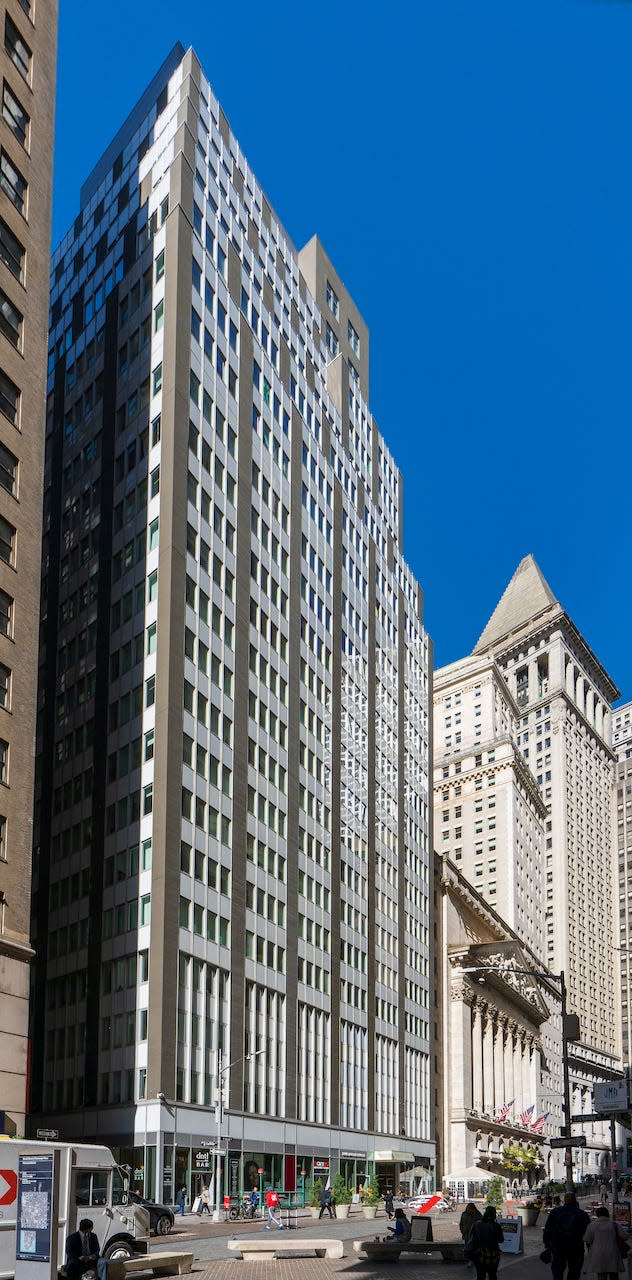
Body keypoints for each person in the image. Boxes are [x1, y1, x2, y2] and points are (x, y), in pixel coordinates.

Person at [542, 1191, 590, 1280]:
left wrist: (547, 1244)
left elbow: (547, 1229)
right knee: (574, 1270)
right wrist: (589, 1247)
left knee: (558, 1270)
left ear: (564, 1200)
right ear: (575, 1201)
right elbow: (588, 1233)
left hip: (558, 1245)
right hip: (576, 1246)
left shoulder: (555, 1212)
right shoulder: (582, 1214)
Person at [582, 1206, 627, 1279]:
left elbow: (587, 1239)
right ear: (607, 1214)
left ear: (597, 1215)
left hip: (598, 1254)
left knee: (601, 1275)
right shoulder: (614, 1224)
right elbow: (625, 1236)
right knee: (614, 1275)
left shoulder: (592, 1225)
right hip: (613, 1253)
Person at [469, 1205, 504, 1280]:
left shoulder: (477, 1224)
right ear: (494, 1214)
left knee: (480, 1276)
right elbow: (501, 1240)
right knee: (492, 1275)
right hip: (493, 1254)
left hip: (479, 1253)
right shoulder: (496, 1226)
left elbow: (471, 1237)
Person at [460, 1200, 483, 1266]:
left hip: (475, 1235)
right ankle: (470, 1260)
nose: (469, 1209)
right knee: (468, 1248)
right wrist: (462, 1231)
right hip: (466, 1234)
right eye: (468, 1208)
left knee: (475, 1248)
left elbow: (481, 1223)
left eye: (471, 1208)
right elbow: (461, 1223)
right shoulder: (464, 1214)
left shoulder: (477, 1214)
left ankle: (473, 1260)